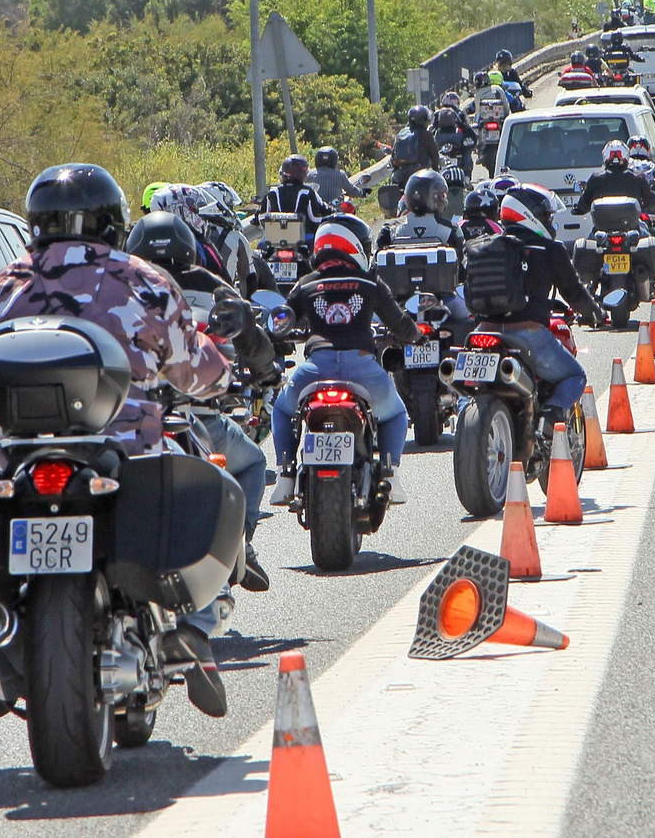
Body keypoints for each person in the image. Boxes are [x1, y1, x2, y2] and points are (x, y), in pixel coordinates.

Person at [0, 162, 236, 715]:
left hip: (21, 459)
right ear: (112, 222)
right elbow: (195, 371)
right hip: (127, 453)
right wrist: (223, 374)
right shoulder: (144, 282)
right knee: (206, 478)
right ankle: (197, 626)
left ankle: (0, 643)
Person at [124, 211, 281, 589]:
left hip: (128, 419)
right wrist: (267, 372)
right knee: (254, 462)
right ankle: (241, 543)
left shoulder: (120, 285)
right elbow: (250, 336)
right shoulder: (212, 285)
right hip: (198, 415)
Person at [271, 215, 421, 505]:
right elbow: (401, 325)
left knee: (282, 410)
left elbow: (281, 322)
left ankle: (285, 477)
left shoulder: (305, 284)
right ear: (355, 246)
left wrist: (273, 335)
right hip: (362, 368)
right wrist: (416, 335)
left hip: (315, 370)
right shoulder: (370, 282)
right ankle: (390, 476)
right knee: (396, 414)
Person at [470, 185, 602, 426]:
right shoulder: (549, 249)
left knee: (468, 389)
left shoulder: (482, 246)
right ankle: (548, 420)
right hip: (528, 334)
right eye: (546, 216)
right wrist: (596, 314)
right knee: (575, 375)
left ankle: (463, 417)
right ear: (529, 214)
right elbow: (574, 293)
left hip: (483, 332)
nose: (549, 222)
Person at [375, 169, 471, 320]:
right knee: (469, 315)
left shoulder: (389, 229)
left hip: (396, 304)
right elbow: (462, 272)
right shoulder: (451, 229)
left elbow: (375, 269)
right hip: (443, 302)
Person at [572, 141, 655, 216]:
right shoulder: (637, 177)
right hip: (631, 226)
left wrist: (578, 208)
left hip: (603, 227)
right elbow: (651, 202)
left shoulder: (596, 178)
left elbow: (583, 206)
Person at [260, 154, 333, 242]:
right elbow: (316, 219)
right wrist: (333, 211)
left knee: (261, 246)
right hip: (304, 240)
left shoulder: (272, 192)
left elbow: (262, 217)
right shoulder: (308, 192)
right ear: (303, 173)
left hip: (275, 241)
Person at [432, 93, 480, 180]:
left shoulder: (437, 113)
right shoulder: (460, 114)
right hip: (457, 143)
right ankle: (466, 177)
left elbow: (432, 128)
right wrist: (473, 140)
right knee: (467, 152)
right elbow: (467, 128)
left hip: (440, 143)